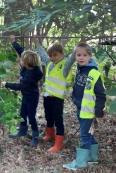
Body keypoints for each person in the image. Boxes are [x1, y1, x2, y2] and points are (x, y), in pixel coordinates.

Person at [63, 42, 106, 170]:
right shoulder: (80, 68)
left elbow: (101, 95)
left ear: (90, 56)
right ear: (75, 56)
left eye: (84, 55)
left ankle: (79, 163)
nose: (81, 57)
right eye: (78, 55)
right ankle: (92, 158)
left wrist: (99, 112)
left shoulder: (93, 73)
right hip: (80, 108)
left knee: (85, 136)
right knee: (88, 133)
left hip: (89, 111)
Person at [31, 37, 75, 152]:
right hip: (47, 96)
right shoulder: (50, 64)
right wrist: (37, 43)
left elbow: (72, 58)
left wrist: (80, 44)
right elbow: (43, 55)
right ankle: (50, 135)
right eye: (51, 55)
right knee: (48, 116)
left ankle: (58, 144)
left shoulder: (65, 66)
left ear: (62, 54)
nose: (52, 58)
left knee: (58, 119)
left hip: (57, 98)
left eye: (55, 55)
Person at [1, 35, 43, 147]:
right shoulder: (29, 66)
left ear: (26, 63)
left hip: (32, 98)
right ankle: (22, 131)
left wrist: (7, 84)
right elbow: (21, 52)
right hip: (26, 96)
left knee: (31, 117)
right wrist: (14, 42)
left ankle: (35, 136)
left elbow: (21, 86)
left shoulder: (31, 74)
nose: (20, 59)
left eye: (22, 60)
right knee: (22, 114)